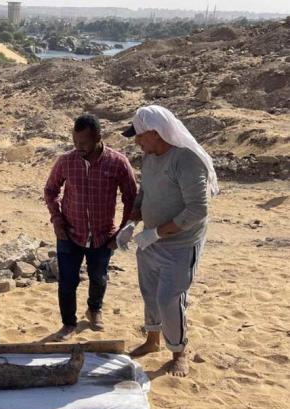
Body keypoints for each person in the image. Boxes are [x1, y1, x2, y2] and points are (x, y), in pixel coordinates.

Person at [118, 105, 218, 377]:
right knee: (149, 294)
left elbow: (197, 210)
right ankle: (153, 341)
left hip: (180, 245)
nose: (136, 142)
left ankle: (179, 351)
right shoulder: (150, 157)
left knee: (169, 299)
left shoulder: (185, 161)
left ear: (156, 133)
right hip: (150, 242)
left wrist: (157, 233)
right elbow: (145, 193)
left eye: (139, 136)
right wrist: (131, 223)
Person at [44, 114, 137, 340]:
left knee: (99, 277)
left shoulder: (118, 162)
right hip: (69, 233)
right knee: (67, 281)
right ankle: (68, 323)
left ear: (98, 137)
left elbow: (131, 198)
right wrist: (57, 220)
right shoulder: (66, 161)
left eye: (83, 144)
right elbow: (50, 190)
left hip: (103, 236)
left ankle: (94, 310)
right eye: (75, 143)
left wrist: (122, 233)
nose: (78, 148)